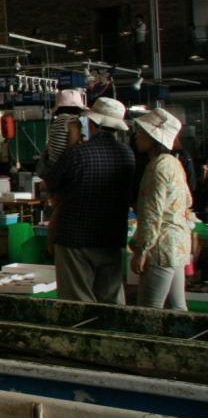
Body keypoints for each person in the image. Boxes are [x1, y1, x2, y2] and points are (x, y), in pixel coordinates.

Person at [48, 97, 136, 304]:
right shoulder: (127, 155)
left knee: (77, 302)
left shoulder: (77, 154)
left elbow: (52, 182)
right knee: (111, 301)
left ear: (92, 122)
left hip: (74, 239)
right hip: (111, 237)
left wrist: (71, 143)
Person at [130, 108, 194, 310]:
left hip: (160, 247)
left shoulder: (156, 167)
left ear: (153, 138)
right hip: (178, 244)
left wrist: (142, 250)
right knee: (178, 308)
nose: (137, 136)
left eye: (141, 132)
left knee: (149, 309)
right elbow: (188, 201)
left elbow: (152, 213)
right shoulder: (174, 163)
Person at [37, 89, 85, 178]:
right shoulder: (72, 121)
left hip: (52, 164)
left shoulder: (56, 121)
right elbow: (73, 148)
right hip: (64, 167)